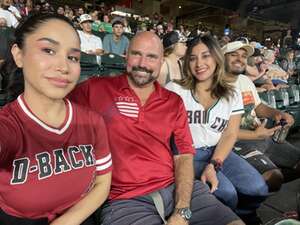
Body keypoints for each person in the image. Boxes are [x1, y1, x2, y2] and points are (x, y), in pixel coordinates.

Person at [69, 31, 245, 225]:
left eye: (152, 57)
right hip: (125, 200)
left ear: (162, 61)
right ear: (126, 55)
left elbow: (184, 156)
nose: (143, 63)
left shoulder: (173, 101)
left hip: (178, 188)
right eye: (136, 54)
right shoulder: (94, 89)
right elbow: (54, 115)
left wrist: (182, 209)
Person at [0, 13, 112, 225]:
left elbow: (103, 181)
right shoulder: (8, 124)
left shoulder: (92, 121)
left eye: (73, 57)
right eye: (48, 50)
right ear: (19, 55)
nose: (64, 67)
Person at [166, 35, 268, 218]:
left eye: (205, 56)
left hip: (218, 152)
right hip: (187, 155)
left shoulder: (231, 93)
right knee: (226, 193)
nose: (199, 63)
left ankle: (242, 216)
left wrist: (214, 164)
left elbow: (230, 134)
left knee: (258, 188)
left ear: (216, 58)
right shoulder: (175, 89)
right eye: (193, 58)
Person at [223, 40, 300, 191]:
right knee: (274, 178)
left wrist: (277, 113)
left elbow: (258, 106)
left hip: (262, 136)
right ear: (222, 57)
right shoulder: (213, 85)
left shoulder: (244, 80)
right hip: (236, 143)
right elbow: (217, 130)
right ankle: (248, 205)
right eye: (234, 55)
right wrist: (255, 135)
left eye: (244, 56)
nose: (240, 58)